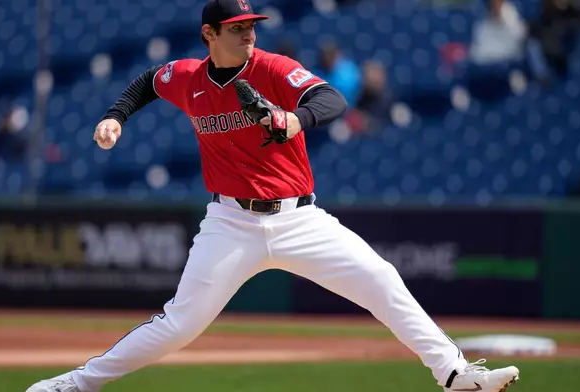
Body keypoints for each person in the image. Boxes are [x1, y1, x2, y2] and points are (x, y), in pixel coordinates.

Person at [26, 1, 520, 391]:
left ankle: (455, 376)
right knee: (179, 326)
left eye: (251, 25)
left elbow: (331, 100)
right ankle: (75, 384)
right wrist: (116, 115)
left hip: (298, 219)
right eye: (237, 27)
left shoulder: (272, 68)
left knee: (380, 278)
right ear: (209, 36)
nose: (249, 33)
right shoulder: (188, 79)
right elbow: (145, 83)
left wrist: (293, 119)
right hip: (230, 224)